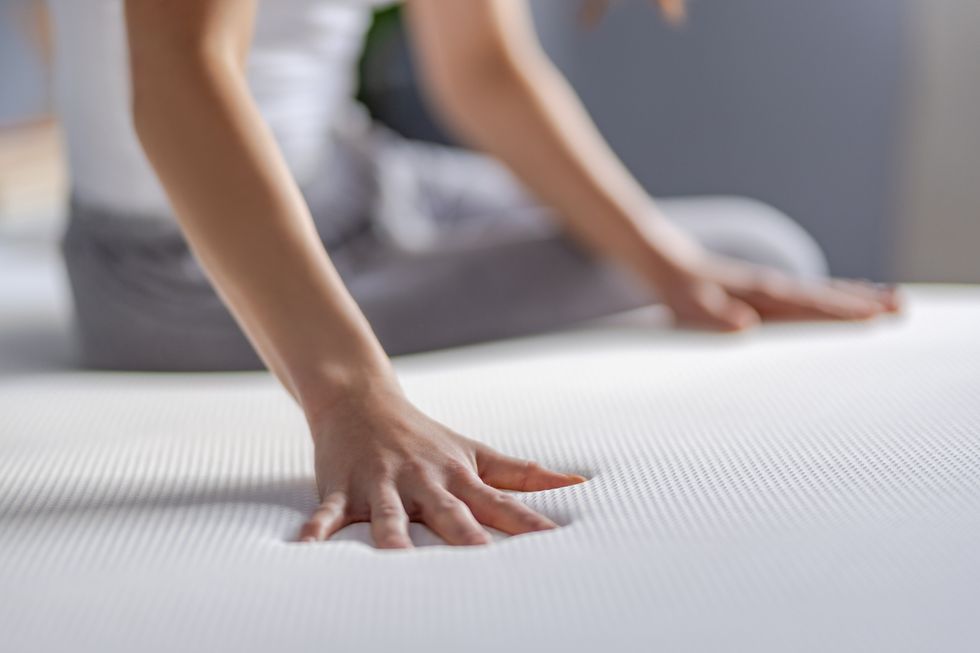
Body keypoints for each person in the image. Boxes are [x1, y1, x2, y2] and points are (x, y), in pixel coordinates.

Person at [45, 0, 900, 549]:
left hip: (355, 176)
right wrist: (352, 398)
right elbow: (178, 79)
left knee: (733, 252)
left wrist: (669, 266)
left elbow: (482, 69)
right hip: (173, 269)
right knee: (763, 240)